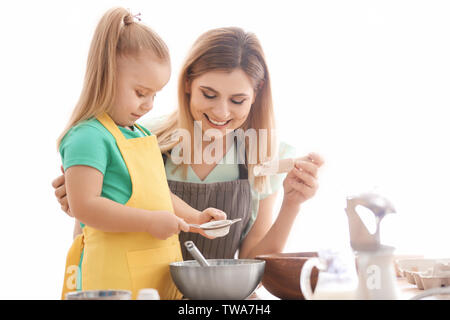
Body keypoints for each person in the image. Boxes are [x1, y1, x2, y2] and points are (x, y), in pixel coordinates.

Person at [53, 26, 323, 267]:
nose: (221, 112)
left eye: (238, 100)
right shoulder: (140, 139)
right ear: (187, 83)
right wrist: (83, 205)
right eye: (209, 94)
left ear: (257, 93)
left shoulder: (264, 154)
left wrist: (292, 203)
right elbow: (88, 232)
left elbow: (255, 261)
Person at [56, 7, 226, 300]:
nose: (149, 105)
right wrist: (149, 222)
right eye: (140, 92)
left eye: (155, 95)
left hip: (159, 275)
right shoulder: (88, 136)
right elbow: (84, 207)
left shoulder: (142, 134)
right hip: (114, 280)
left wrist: (196, 218)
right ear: (107, 75)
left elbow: (159, 196)